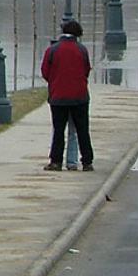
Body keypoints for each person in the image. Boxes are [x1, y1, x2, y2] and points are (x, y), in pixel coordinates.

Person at [41, 20, 94, 172]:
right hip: (80, 97)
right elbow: (86, 70)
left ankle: (56, 161)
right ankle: (86, 161)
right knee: (81, 130)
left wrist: (55, 82)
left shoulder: (52, 50)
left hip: (58, 97)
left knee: (58, 130)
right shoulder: (81, 50)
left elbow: (45, 71)